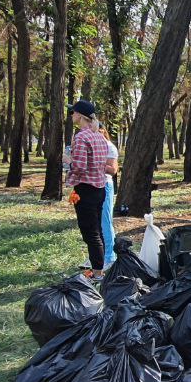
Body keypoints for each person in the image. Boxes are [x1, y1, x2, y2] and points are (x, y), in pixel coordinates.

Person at [65, 100, 109, 279]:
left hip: (86, 190)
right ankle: (100, 269)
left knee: (90, 233)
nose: (71, 116)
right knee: (97, 230)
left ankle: (98, 274)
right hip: (99, 188)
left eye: (72, 112)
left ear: (80, 115)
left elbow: (80, 167)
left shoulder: (82, 137)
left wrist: (68, 162)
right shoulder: (99, 136)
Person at [97, 123, 120, 269]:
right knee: (94, 224)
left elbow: (113, 170)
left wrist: (97, 163)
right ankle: (97, 256)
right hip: (91, 186)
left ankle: (110, 256)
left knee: (105, 222)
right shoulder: (90, 146)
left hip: (105, 185)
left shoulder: (109, 147)